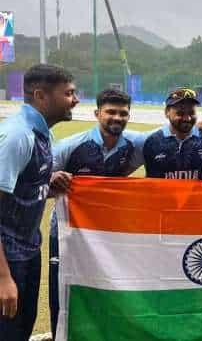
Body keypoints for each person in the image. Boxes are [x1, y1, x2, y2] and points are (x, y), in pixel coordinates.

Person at [47, 88, 143, 337]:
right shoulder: (69, 146)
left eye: (123, 113)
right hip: (67, 232)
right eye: (110, 112)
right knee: (64, 288)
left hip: (108, 233)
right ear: (97, 113)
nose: (117, 118)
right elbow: (36, 184)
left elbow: (167, 134)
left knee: (107, 288)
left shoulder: (134, 145)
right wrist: (52, 180)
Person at [0, 64, 79, 340]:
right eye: (69, 93)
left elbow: (21, 191)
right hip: (6, 259)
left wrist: (48, 185)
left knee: (21, 330)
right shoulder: (17, 136)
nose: (76, 99)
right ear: (41, 96)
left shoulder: (43, 132)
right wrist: (3, 278)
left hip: (29, 251)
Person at [141, 88, 202, 180]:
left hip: (193, 194)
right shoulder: (151, 141)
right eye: (180, 113)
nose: (187, 118)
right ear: (167, 112)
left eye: (192, 113)